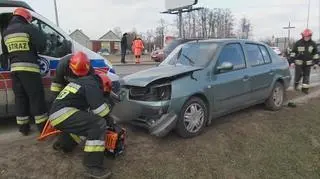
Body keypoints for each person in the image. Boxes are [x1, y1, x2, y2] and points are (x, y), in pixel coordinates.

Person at [49, 72, 114, 178]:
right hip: (64, 113)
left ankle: (64, 144)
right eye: (104, 92)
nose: (103, 94)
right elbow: (100, 109)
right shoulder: (93, 83)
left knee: (85, 124)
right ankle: (92, 166)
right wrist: (109, 119)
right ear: (104, 84)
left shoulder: (83, 81)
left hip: (55, 115)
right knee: (97, 124)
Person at [2, 7, 48, 135]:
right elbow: (42, 45)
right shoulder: (29, 28)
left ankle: (23, 128)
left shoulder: (5, 32)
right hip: (30, 69)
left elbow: (5, 53)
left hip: (15, 70)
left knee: (20, 98)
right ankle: (42, 126)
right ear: (26, 18)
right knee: (36, 97)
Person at [290, 29, 319, 94]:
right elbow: (293, 53)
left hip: (308, 64)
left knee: (306, 77)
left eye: (308, 36)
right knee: (298, 75)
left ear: (310, 36)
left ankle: (305, 89)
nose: (306, 38)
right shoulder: (298, 43)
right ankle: (296, 86)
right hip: (299, 63)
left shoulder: (313, 44)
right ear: (303, 36)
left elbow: (316, 54)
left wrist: (316, 63)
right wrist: (291, 62)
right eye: (305, 36)